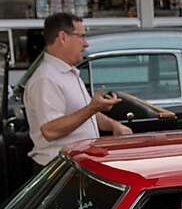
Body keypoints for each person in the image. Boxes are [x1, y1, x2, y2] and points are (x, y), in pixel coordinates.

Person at [23, 12, 132, 165]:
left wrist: (113, 125)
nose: (85, 43)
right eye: (81, 36)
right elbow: (50, 130)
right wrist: (92, 109)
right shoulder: (45, 78)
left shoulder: (68, 72)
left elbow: (84, 112)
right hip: (58, 169)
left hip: (76, 166)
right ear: (62, 37)